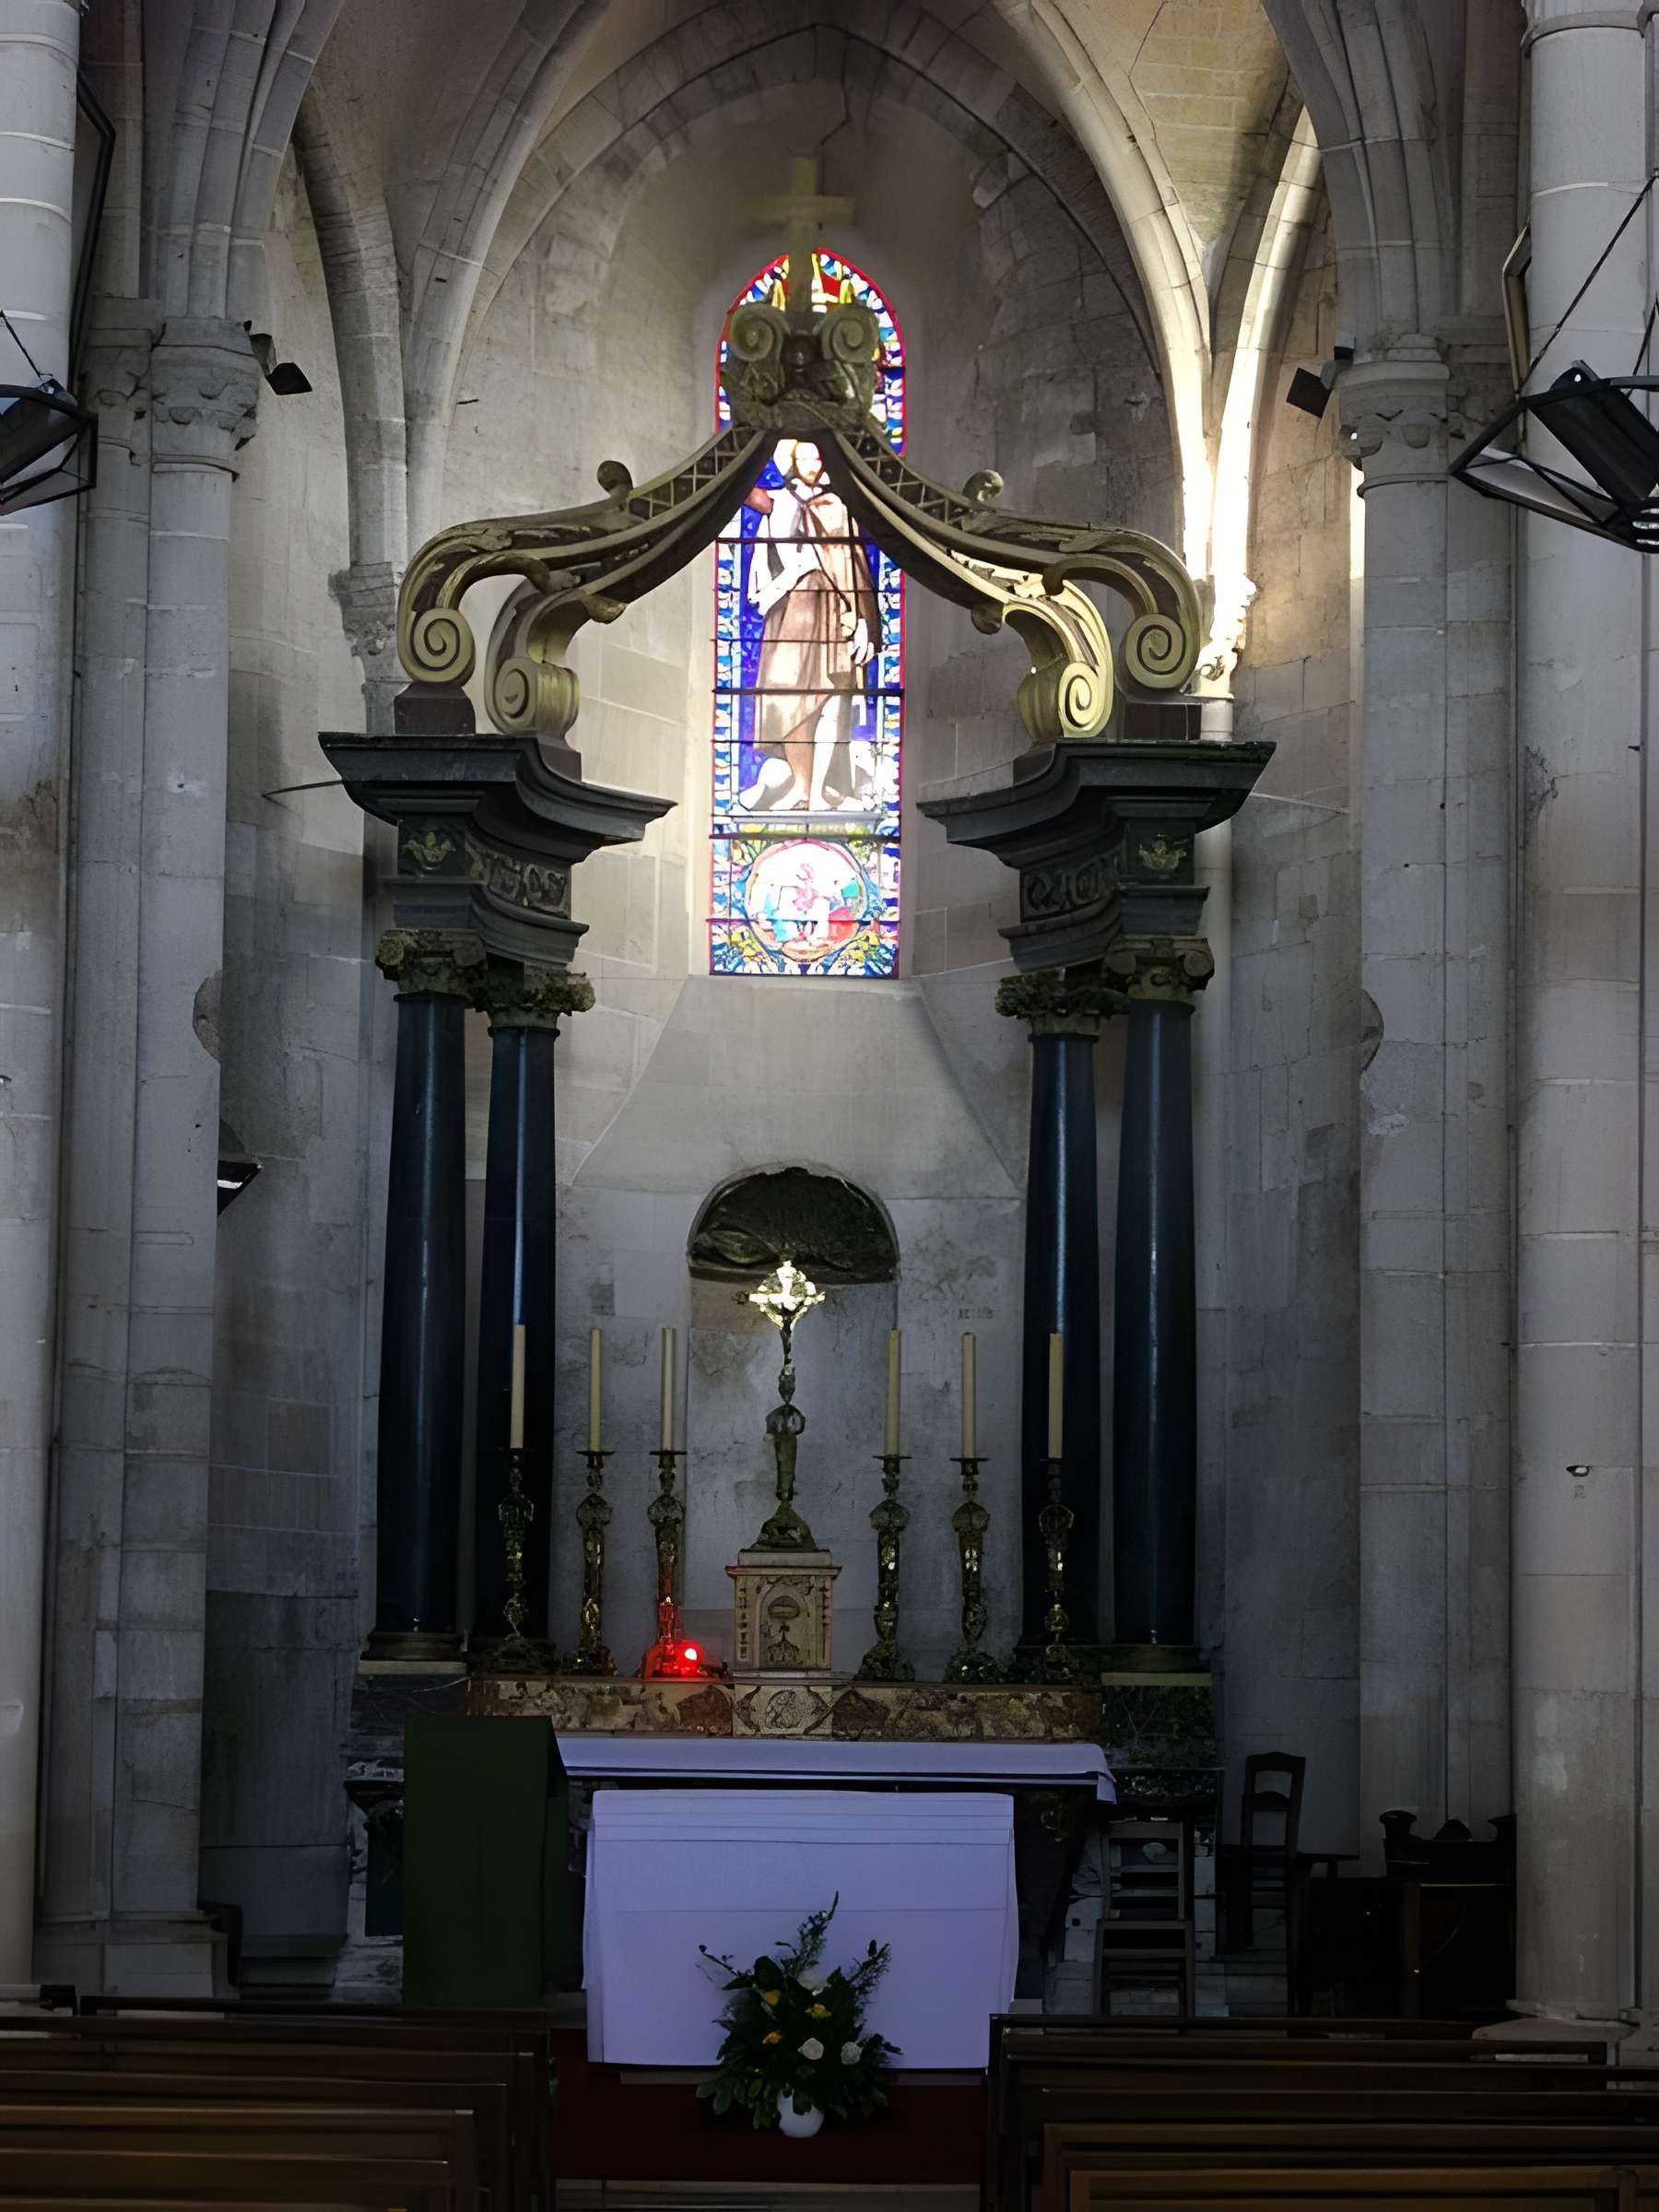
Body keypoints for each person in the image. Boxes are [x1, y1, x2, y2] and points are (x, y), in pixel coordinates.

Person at [742, 439, 881, 813]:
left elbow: (854, 566)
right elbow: (740, 491)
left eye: (817, 456)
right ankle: (801, 788)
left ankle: (819, 792)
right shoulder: (777, 503)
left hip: (834, 613)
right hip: (789, 614)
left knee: (830, 700)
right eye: (801, 456)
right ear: (791, 463)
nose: (810, 463)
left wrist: (865, 620)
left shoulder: (839, 507)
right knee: (787, 700)